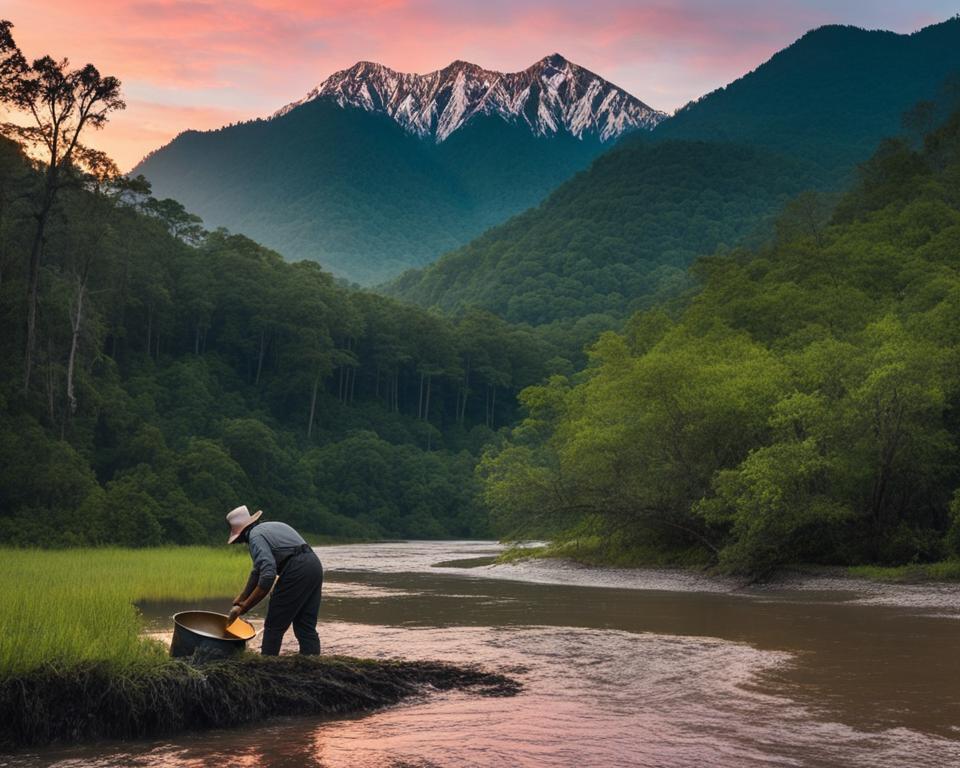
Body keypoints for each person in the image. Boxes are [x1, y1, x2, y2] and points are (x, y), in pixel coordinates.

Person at [225, 505, 324, 655]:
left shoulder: (255, 537)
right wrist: (242, 597)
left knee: (273, 626)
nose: (240, 542)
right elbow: (257, 571)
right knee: (305, 626)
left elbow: (268, 575)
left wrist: (245, 606)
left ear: (241, 533)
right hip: (314, 565)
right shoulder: (267, 528)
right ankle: (313, 665)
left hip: (296, 569)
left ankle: (266, 663)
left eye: (239, 539)